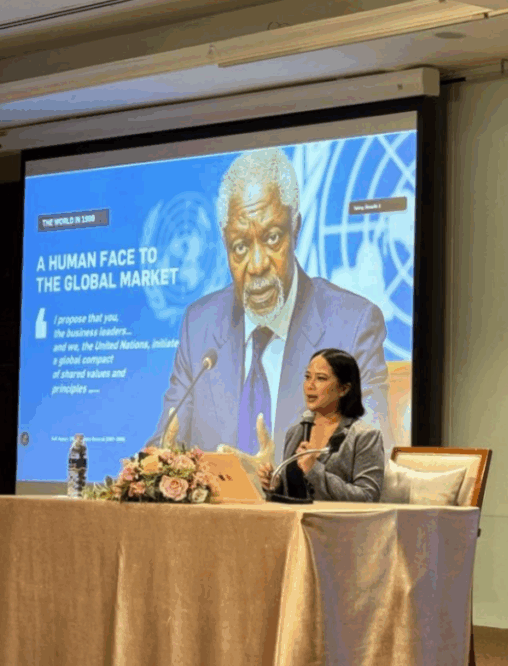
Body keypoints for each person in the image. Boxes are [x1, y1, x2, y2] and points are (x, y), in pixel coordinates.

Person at [149, 147, 393, 461]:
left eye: (273, 237)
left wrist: (278, 478)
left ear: (296, 229)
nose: (257, 265)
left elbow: (371, 461)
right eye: (240, 246)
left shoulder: (354, 326)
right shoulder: (199, 326)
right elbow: (165, 443)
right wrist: (158, 462)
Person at [259, 348, 384, 501]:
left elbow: (368, 497)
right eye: (307, 377)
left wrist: (314, 470)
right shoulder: (295, 432)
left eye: (320, 378)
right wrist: (275, 485)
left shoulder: (365, 436)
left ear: (344, 389)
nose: (310, 385)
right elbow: (294, 494)